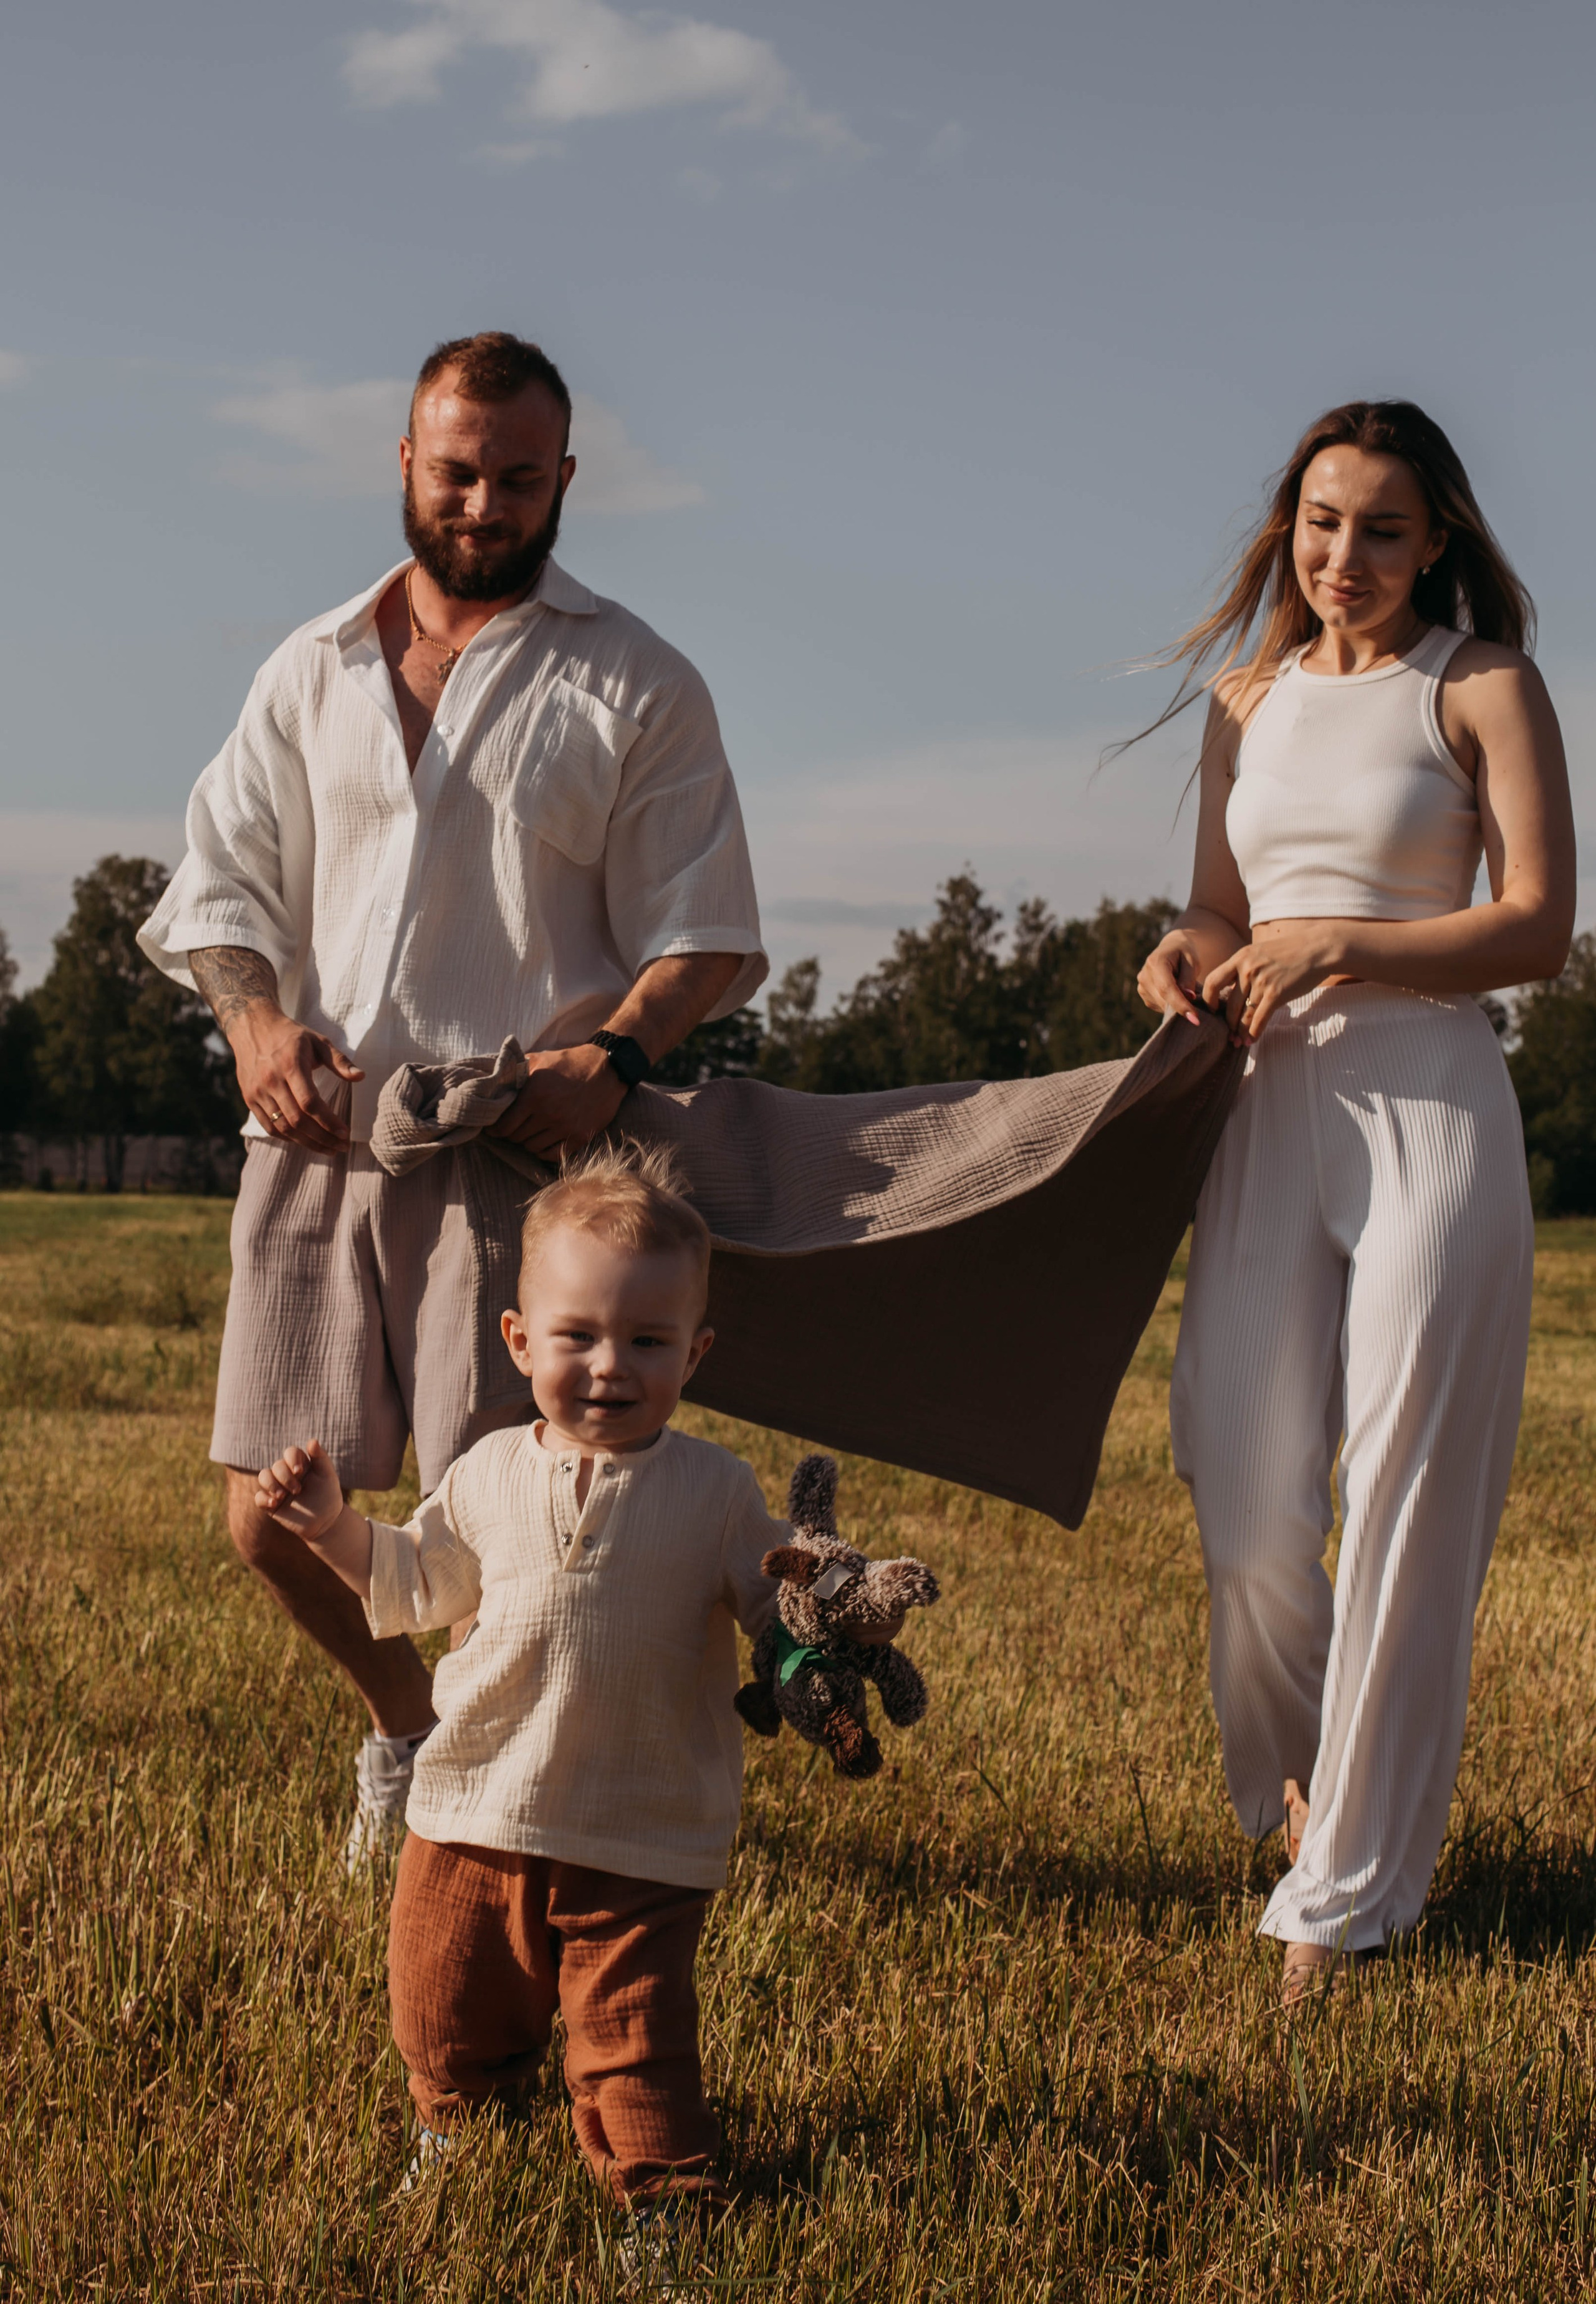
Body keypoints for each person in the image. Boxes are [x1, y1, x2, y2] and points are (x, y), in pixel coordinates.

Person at [138, 331, 767, 1864]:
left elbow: (706, 935)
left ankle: (515, 1829)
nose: (485, 505)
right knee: (263, 1513)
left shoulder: (634, 678)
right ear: (406, 463)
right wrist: (255, 1023)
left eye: (518, 478)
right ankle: (410, 1729)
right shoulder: (311, 665)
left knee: (507, 1533)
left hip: (517, 1153)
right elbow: (219, 888)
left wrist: (613, 1060)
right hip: (317, 1134)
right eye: (458, 472)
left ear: (566, 479)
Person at [249, 1144, 905, 2257]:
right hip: (474, 1809)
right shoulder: (487, 1473)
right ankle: (456, 2129)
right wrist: (329, 1526)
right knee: (441, 2003)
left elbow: (777, 1599)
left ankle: (664, 2206)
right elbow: (414, 1581)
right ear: (519, 1340)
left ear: (695, 1352)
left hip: (641, 1831)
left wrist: (837, 1611)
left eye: (648, 1341)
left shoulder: (715, 1489)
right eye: (578, 1337)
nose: (611, 1366)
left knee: (635, 2045)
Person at [1133, 399, 1573, 2005]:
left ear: (1434, 538)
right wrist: (1179, 952)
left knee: (1402, 1495)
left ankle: (1348, 1894)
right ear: (1288, 527)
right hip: (1264, 1103)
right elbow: (1214, 905)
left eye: (1382, 530)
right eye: (1321, 525)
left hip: (1427, 1105)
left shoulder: (1478, 685)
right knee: (1242, 1492)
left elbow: (1535, 926)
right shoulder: (1242, 701)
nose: (1345, 558)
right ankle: (1312, 1802)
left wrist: (1340, 940)